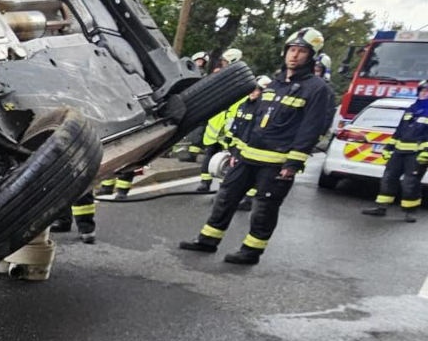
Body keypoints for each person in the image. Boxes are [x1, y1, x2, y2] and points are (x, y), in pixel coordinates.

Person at [177, 28, 334, 265]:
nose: (294, 55)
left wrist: (293, 163)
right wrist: (236, 151)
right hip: (247, 157)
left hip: (276, 163)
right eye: (292, 50)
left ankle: (251, 252)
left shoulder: (317, 89)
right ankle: (207, 240)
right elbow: (253, 120)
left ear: (311, 56)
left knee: (264, 208)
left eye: (301, 51)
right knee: (225, 197)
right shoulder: (274, 84)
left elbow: (311, 128)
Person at [361, 81, 428, 223]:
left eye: (427, 91)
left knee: (410, 182)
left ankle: (410, 212)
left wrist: (426, 152)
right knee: (388, 178)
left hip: (417, 154)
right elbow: (399, 131)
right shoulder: (411, 108)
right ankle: (381, 207)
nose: (424, 93)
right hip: (399, 152)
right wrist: (388, 148)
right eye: (422, 90)